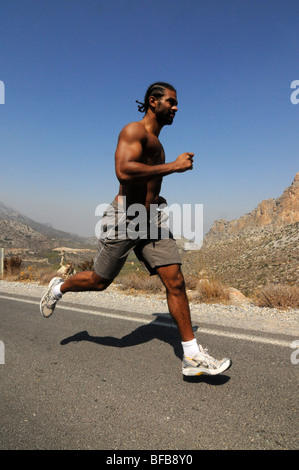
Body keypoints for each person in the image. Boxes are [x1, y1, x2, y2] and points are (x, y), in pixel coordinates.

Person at [40, 82, 232, 377]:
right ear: (154, 102)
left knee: (176, 281)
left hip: (151, 221)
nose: (176, 107)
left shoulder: (158, 142)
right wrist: (173, 167)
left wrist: (156, 198)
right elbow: (124, 170)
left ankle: (192, 357)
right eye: (171, 101)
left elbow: (146, 184)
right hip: (126, 219)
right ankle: (59, 287)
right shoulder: (134, 131)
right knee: (99, 281)